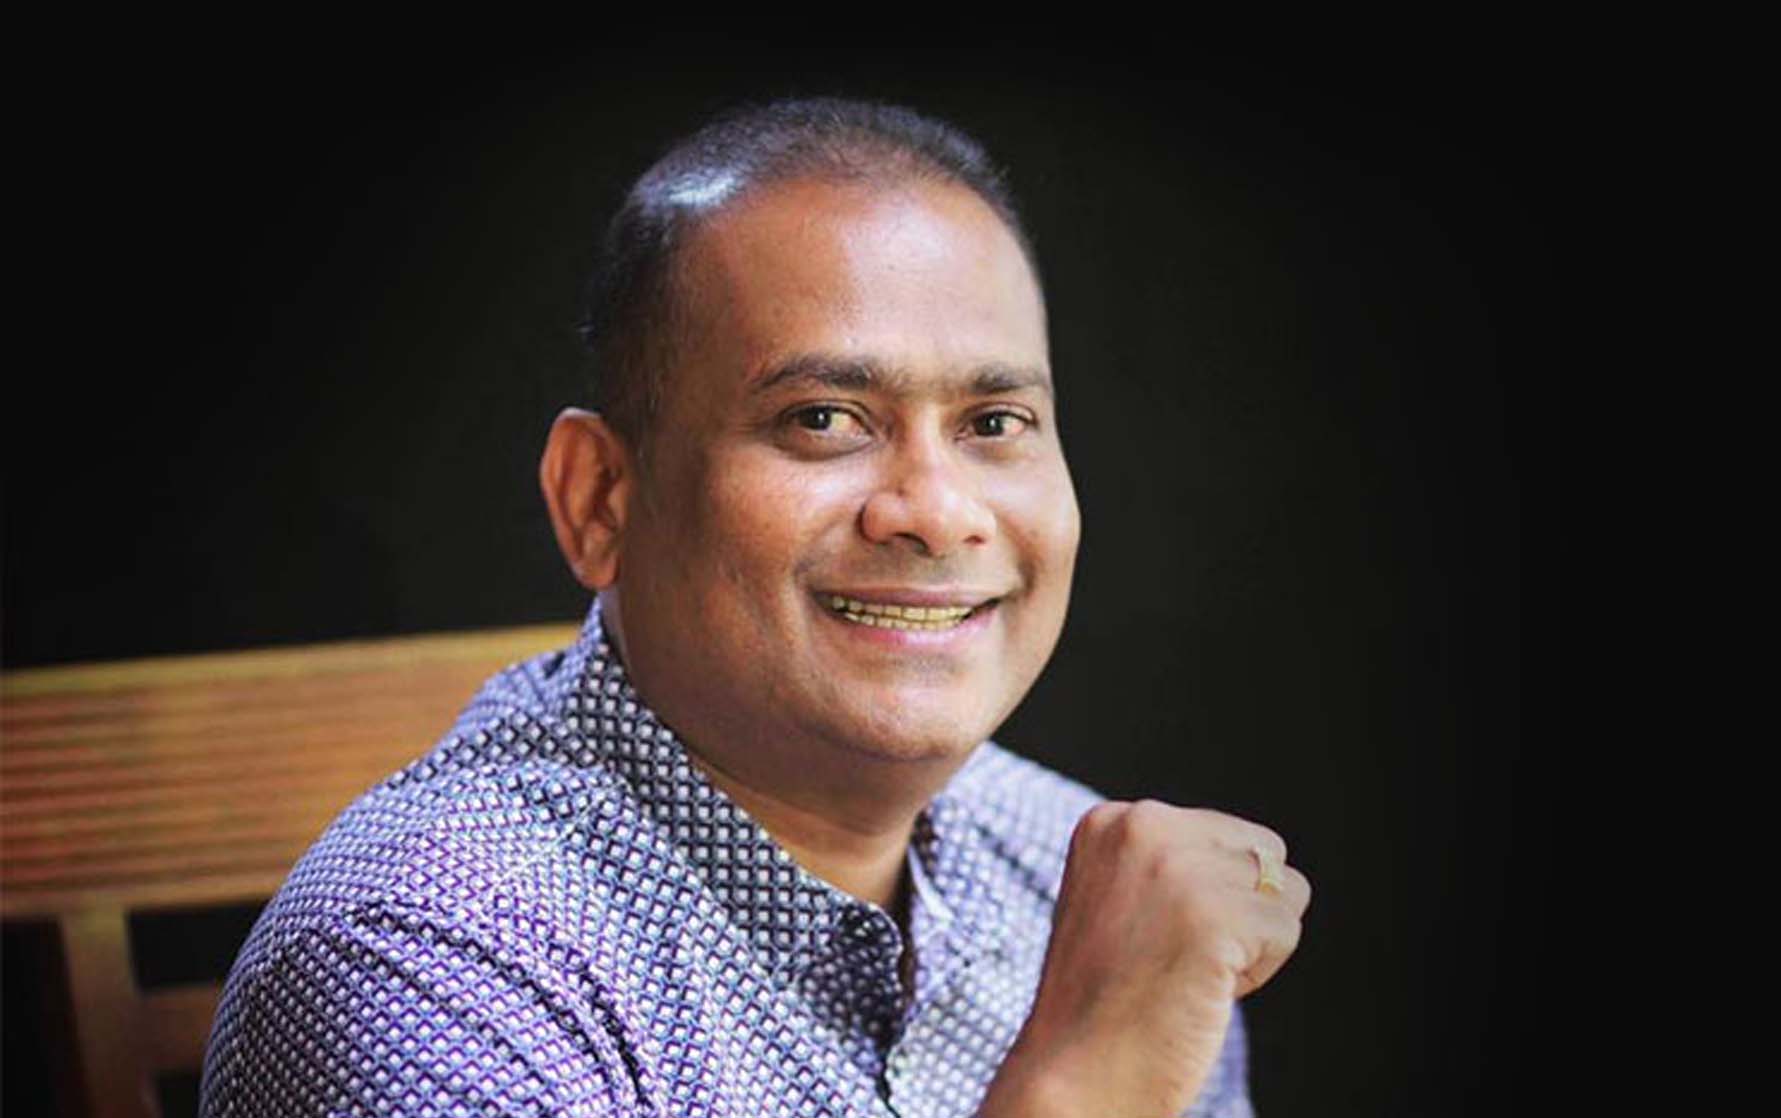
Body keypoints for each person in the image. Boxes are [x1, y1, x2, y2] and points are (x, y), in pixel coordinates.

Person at [201, 97, 1310, 1118]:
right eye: (822, 419)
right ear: (600, 499)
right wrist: (1084, 1083)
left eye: (992, 423)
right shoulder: (418, 962)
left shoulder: (1076, 875)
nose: (935, 513)